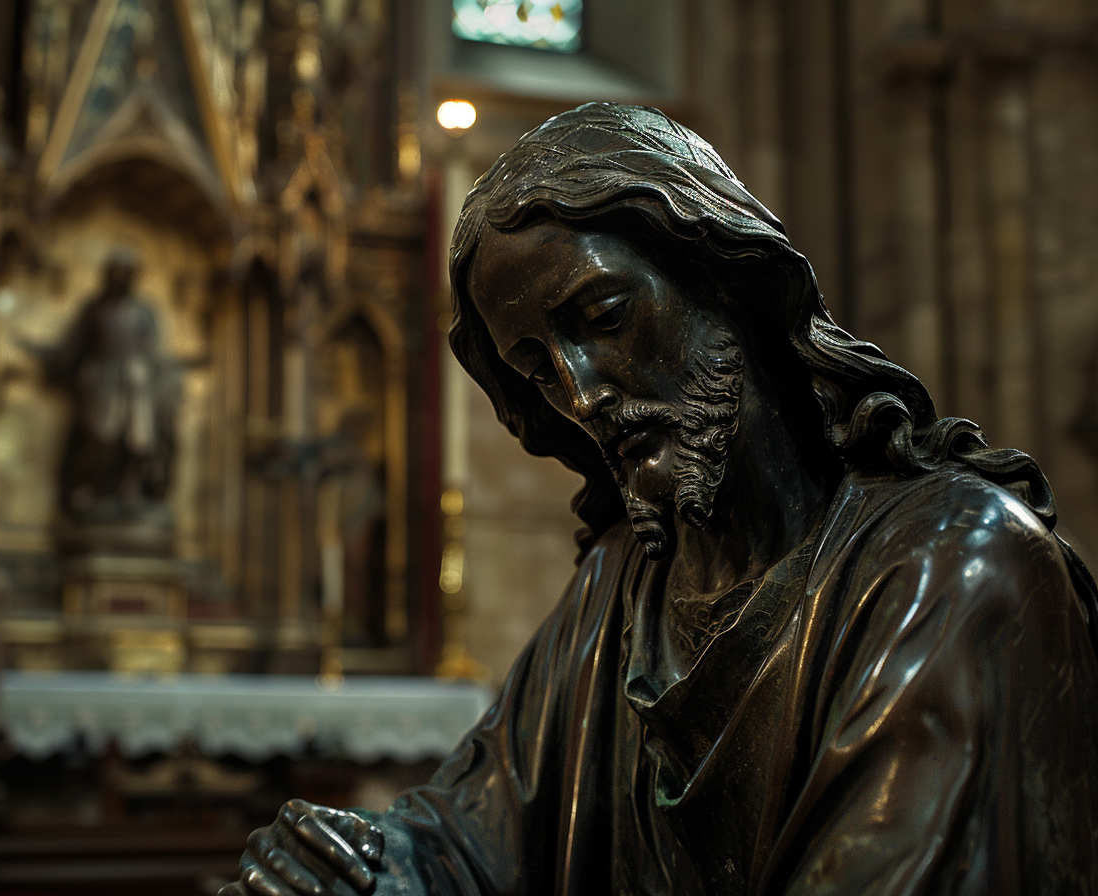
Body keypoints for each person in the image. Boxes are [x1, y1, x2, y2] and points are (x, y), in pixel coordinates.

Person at [222, 104, 1098, 895]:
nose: (581, 396)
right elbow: (473, 836)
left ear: (725, 280)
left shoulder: (958, 564)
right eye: (538, 369)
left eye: (604, 318)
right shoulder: (620, 585)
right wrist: (361, 866)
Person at [27, 249, 180, 523]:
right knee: (102, 438)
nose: (119, 279)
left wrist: (170, 374)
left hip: (137, 380)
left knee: (137, 441)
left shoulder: (144, 311)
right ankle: (91, 492)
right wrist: (46, 355)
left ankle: (129, 494)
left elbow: (156, 350)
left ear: (133, 277)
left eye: (125, 274)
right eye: (114, 273)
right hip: (103, 380)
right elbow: (73, 347)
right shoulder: (94, 309)